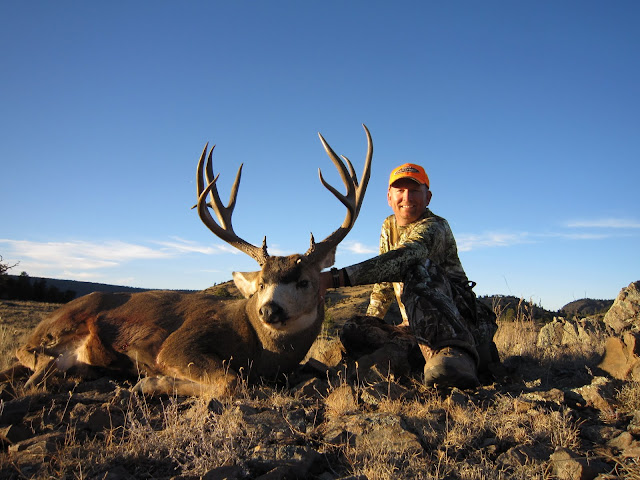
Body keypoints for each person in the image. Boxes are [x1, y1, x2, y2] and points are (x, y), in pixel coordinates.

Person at [321, 163, 497, 389]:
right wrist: (372, 320)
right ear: (389, 197)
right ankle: (418, 360)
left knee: (415, 268)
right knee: (354, 329)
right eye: (400, 190)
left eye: (414, 190)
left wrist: (333, 279)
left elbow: (406, 257)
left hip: (457, 321)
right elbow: (384, 283)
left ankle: (458, 353)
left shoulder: (436, 227)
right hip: (414, 327)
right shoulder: (389, 226)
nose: (407, 197)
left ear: (428, 197)